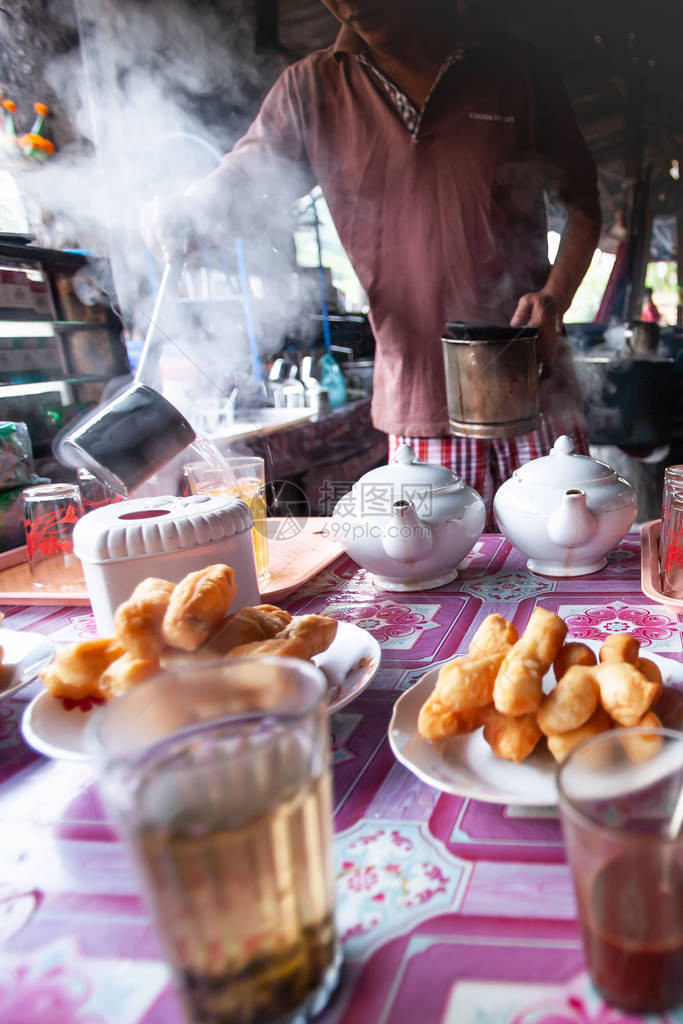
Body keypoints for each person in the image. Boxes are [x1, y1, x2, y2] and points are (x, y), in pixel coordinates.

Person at [142, 0, 601, 517]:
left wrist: (554, 298)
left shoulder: (517, 68)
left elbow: (584, 204)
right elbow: (240, 185)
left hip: (533, 385)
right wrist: (186, 213)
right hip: (420, 399)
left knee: (568, 569)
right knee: (431, 573)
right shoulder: (312, 89)